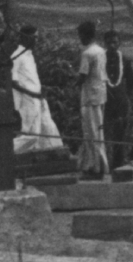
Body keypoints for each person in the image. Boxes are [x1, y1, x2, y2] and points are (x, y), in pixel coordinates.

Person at [10, 25, 63, 155]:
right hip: (27, 101)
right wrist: (33, 93)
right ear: (25, 37)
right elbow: (13, 82)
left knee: (48, 128)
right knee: (31, 135)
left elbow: (29, 79)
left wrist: (40, 90)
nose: (37, 41)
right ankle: (7, 153)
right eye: (35, 38)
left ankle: (56, 155)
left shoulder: (29, 55)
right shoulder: (16, 56)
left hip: (38, 98)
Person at [75, 18, 110, 178]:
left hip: (89, 97)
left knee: (90, 134)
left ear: (84, 35)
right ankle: (97, 165)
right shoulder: (101, 51)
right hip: (100, 95)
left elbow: (83, 76)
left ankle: (95, 168)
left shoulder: (87, 54)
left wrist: (73, 84)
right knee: (98, 132)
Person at [103, 28, 133, 172]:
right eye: (109, 42)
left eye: (115, 42)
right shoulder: (100, 58)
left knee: (119, 135)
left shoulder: (125, 60)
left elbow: (131, 81)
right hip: (104, 102)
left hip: (120, 102)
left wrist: (126, 97)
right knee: (103, 135)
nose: (112, 45)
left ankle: (118, 166)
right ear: (104, 43)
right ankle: (103, 165)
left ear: (119, 43)